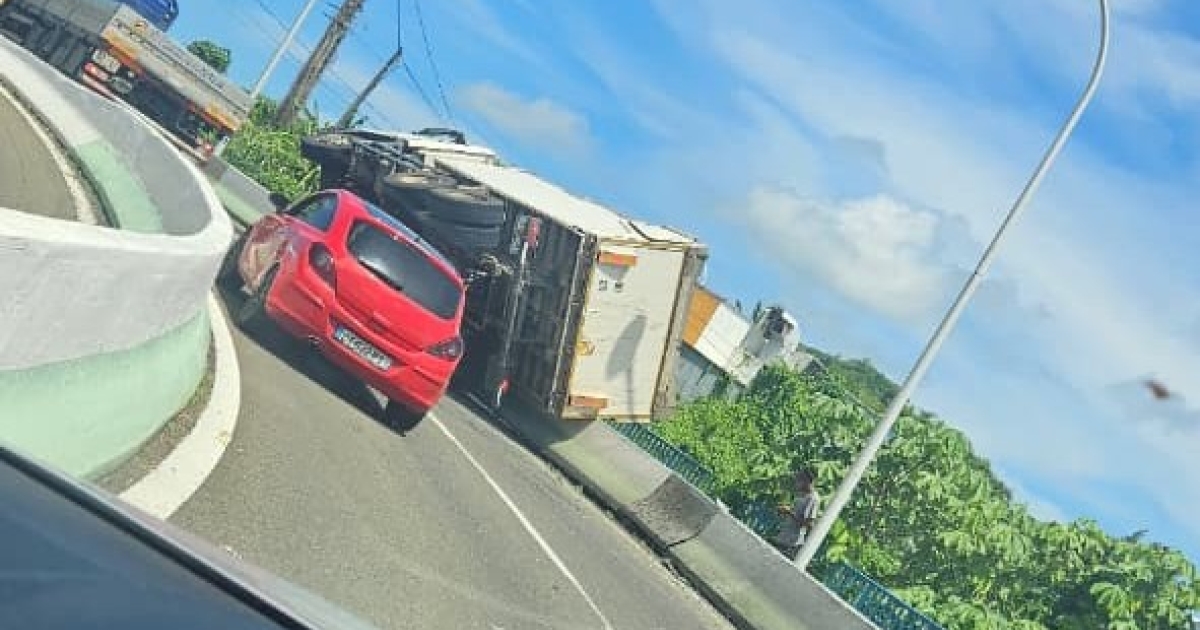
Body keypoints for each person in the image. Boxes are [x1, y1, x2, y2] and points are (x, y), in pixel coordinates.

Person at [772, 468, 819, 561]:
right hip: (783, 537)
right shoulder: (801, 495)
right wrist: (785, 511)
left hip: (792, 543)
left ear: (808, 481)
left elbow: (808, 524)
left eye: (799, 479)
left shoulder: (813, 499)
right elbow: (796, 515)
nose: (797, 481)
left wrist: (789, 512)